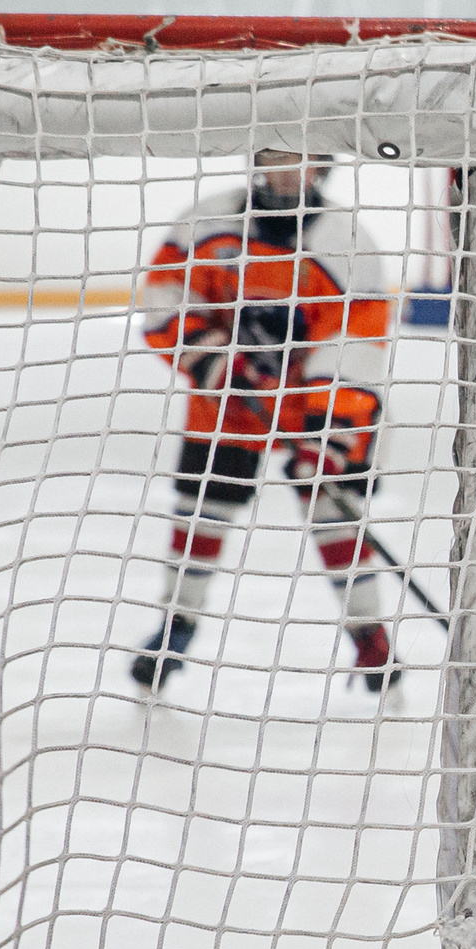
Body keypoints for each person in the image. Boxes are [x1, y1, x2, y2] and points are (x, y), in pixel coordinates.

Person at [130, 149, 398, 694]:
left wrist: (333, 431)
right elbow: (164, 291)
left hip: (314, 405)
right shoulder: (208, 221)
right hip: (229, 401)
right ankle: (176, 623)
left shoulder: (347, 240)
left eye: (298, 159)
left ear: (321, 166)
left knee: (336, 513)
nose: (284, 170)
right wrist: (206, 353)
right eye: (274, 156)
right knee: (201, 509)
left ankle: (370, 634)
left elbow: (355, 341)